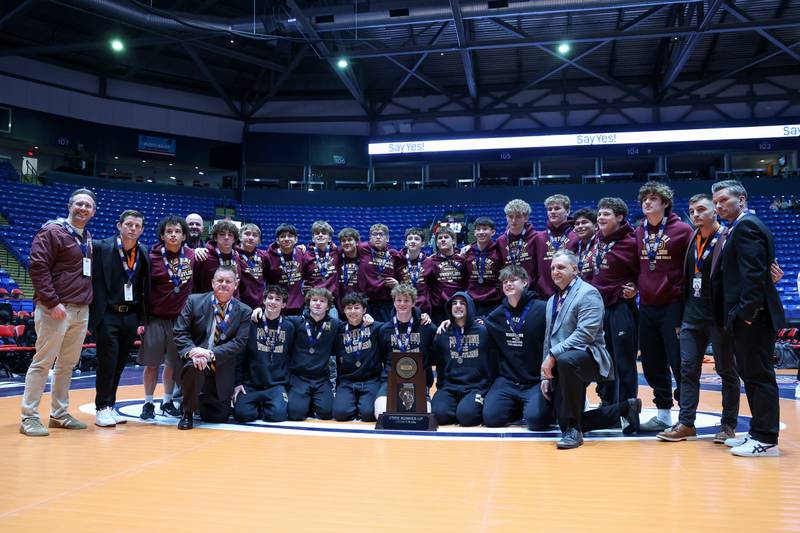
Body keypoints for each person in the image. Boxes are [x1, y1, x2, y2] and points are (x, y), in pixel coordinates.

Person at [656, 194, 740, 443]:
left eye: (701, 209)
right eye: (692, 210)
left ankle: (728, 425)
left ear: (715, 211)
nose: (695, 214)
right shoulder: (692, 238)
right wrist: (680, 318)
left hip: (719, 316)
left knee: (726, 370)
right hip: (692, 316)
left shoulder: (728, 236)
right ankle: (686, 423)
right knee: (687, 370)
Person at [711, 180, 785, 457]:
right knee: (752, 375)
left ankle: (766, 438)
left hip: (755, 316)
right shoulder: (739, 227)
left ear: (741, 199)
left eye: (723, 201)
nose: (718, 206)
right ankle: (757, 432)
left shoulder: (747, 226)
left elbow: (754, 274)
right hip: (748, 315)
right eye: (716, 202)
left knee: (759, 376)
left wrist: (748, 314)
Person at [540, 250, 641, 449]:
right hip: (561, 362)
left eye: (561, 267)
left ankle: (575, 432)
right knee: (562, 421)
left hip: (590, 358)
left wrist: (553, 355)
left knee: (566, 360)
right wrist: (545, 375)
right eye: (552, 268)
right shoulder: (552, 300)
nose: (555, 271)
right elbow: (548, 338)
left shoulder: (588, 293)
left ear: (575, 269)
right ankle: (625, 408)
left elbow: (584, 334)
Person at [20, 188, 96, 436]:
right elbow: (38, 266)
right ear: (69, 206)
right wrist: (52, 302)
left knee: (67, 365)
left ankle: (59, 413)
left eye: (88, 206)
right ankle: (29, 417)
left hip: (79, 310)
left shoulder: (87, 237)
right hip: (55, 309)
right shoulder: (52, 230)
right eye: (79, 204)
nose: (83, 208)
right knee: (42, 363)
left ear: (93, 212)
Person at [633, 182, 693, 432]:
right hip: (646, 305)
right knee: (652, 361)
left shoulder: (683, 230)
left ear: (665, 203)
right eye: (645, 198)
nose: (648, 202)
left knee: (679, 362)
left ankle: (687, 416)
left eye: (654, 198)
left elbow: (693, 266)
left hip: (673, 305)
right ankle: (663, 414)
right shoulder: (639, 232)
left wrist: (679, 290)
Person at [90, 209, 151, 427]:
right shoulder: (100, 247)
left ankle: (110, 405)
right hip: (107, 314)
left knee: (119, 364)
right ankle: (101, 407)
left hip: (130, 315)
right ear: (119, 226)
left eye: (137, 226)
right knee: (107, 362)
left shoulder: (143, 251)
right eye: (129, 224)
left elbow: (144, 285)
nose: (133, 228)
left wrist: (142, 318)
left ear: (142, 230)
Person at [173, 265, 252, 430]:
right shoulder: (194, 301)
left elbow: (239, 343)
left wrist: (209, 353)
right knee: (195, 366)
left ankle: (199, 398)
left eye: (228, 281)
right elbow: (180, 332)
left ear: (235, 285)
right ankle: (187, 412)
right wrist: (193, 352)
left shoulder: (245, 311)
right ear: (212, 282)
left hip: (220, 365)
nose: (223, 284)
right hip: (195, 362)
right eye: (220, 280)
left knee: (218, 417)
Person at [138, 216, 195, 420]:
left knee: (172, 364)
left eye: (177, 231)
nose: (173, 234)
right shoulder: (150, 256)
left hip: (180, 321)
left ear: (184, 235)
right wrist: (141, 319)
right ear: (162, 235)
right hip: (155, 317)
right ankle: (147, 403)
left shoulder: (192, 255)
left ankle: (167, 401)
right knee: (151, 363)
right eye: (169, 231)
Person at [482, 265, 552, 430]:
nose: (508, 284)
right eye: (505, 281)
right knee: (491, 419)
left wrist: (548, 378)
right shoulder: (497, 315)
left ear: (525, 282)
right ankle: (520, 406)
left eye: (513, 280)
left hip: (535, 381)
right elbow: (476, 323)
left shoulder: (542, 308)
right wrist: (450, 321)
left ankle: (535, 406)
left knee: (537, 421)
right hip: (508, 381)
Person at [590, 198, 639, 406]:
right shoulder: (597, 240)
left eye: (606, 214)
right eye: (599, 213)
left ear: (619, 217)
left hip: (621, 307)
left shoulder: (632, 241)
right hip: (599, 308)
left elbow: (644, 271)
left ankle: (627, 407)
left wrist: (636, 288)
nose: (601, 217)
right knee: (603, 358)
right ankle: (607, 403)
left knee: (624, 360)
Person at [430, 292, 497, 426]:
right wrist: (441, 386)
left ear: (470, 307)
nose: (458, 306)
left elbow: (494, 360)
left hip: (476, 387)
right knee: (438, 415)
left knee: (467, 417)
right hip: (449, 387)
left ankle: (464, 409)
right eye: (454, 303)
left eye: (462, 303)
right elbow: (439, 363)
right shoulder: (442, 333)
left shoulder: (484, 331)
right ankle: (458, 408)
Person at [233, 285, 296, 423]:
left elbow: (291, 357)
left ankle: (266, 405)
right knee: (242, 415)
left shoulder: (289, 327)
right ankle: (260, 405)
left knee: (277, 416)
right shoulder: (251, 322)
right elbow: (240, 356)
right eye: (270, 298)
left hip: (275, 384)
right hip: (251, 384)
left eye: (277, 299)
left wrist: (288, 384)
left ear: (284, 304)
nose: (273, 302)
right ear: (264, 301)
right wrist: (237, 383)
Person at [375, 283, 437, 419]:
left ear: (413, 303)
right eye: (398, 300)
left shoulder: (427, 327)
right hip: (390, 381)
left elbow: (436, 353)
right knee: (380, 414)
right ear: (394, 302)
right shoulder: (384, 330)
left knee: (423, 416)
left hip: (418, 381)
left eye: (406, 300)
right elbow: (381, 358)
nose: (402, 304)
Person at [285, 288, 342, 420]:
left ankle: (310, 401)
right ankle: (306, 402)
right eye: (314, 300)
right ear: (308, 303)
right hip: (299, 378)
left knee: (327, 414)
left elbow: (354, 325)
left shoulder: (335, 324)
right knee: (296, 415)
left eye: (322, 301)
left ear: (328, 306)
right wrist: (259, 310)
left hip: (321, 379)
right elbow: (275, 319)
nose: (317, 303)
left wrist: (366, 319)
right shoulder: (296, 321)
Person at [332, 292, 384, 422]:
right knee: (340, 414)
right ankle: (351, 402)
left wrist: (420, 315)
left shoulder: (375, 327)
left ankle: (360, 404)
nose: (353, 311)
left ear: (364, 310)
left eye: (357, 307)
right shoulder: (339, 329)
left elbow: (396, 325)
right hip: (347, 381)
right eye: (349, 308)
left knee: (368, 414)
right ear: (343, 310)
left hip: (370, 380)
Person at [533, 194, 578, 299]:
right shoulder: (539, 237)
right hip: (544, 295)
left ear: (567, 211)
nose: (552, 211)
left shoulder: (576, 235)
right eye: (549, 209)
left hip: (571, 293)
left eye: (557, 208)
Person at [422, 227, 466, 324]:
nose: (443, 240)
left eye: (446, 237)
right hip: (439, 310)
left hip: (459, 306)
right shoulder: (430, 261)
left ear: (454, 241)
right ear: (436, 243)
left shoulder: (463, 259)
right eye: (440, 238)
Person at [358, 223, 400, 322]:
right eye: (374, 234)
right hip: (366, 302)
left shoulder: (394, 254)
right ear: (370, 238)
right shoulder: (362, 249)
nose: (378, 237)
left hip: (387, 302)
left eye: (381, 234)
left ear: (387, 238)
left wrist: (397, 284)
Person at [463, 216, 502, 317]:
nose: (481, 232)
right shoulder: (467, 252)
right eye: (478, 229)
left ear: (493, 232)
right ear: (474, 232)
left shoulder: (499, 251)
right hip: (472, 302)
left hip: (494, 301)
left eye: (485, 229)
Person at [496, 199, 538, 286]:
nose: (514, 220)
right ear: (506, 217)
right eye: (510, 216)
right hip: (509, 288)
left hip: (532, 289)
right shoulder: (501, 240)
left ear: (526, 218)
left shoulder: (536, 237)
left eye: (518, 216)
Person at [266, 223, 306, 315]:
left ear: (296, 239)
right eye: (283, 236)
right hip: (276, 304)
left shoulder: (302, 254)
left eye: (290, 236)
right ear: (277, 240)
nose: (287, 239)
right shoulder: (268, 257)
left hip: (298, 304)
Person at [303, 221, 340, 315]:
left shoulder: (337, 252)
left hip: (330, 302)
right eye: (317, 233)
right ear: (313, 238)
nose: (320, 235)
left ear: (330, 238)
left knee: (333, 326)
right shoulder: (305, 255)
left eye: (324, 233)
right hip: (312, 301)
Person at [193, 220, 240, 295]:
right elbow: (195, 283)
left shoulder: (236, 257)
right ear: (215, 238)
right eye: (222, 234)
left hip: (231, 304)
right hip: (207, 303)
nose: (226, 237)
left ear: (234, 239)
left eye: (230, 235)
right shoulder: (204, 256)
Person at [395, 227, 430, 313]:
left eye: (417, 239)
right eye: (410, 239)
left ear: (423, 243)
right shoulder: (397, 261)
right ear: (406, 243)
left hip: (423, 309)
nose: (413, 241)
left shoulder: (429, 263)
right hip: (403, 307)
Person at [236, 223, 268, 310]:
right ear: (240, 236)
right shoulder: (233, 254)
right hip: (239, 304)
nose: (251, 237)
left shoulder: (263, 255)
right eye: (247, 234)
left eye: (255, 235)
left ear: (258, 240)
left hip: (259, 305)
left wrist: (297, 248)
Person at [336, 227, 362, 310]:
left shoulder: (364, 258)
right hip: (340, 303)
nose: (346, 243)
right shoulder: (337, 258)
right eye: (343, 241)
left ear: (357, 242)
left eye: (350, 240)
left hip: (359, 304)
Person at [569, 208, 598, 281]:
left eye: (584, 222)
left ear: (596, 226)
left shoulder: (601, 245)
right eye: (577, 224)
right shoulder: (573, 247)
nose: (580, 226)